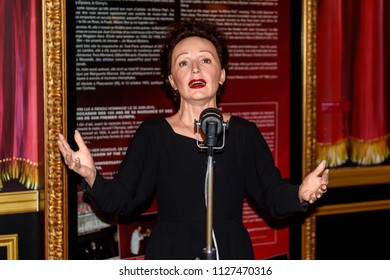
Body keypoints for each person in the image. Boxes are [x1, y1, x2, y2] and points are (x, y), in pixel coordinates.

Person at [57, 20, 329, 260]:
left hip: (230, 256)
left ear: (222, 75)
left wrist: (300, 194)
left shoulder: (244, 134)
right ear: (172, 81)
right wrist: (91, 175)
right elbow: (123, 200)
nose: (195, 69)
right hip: (171, 255)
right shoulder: (153, 135)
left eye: (206, 60)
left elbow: (271, 197)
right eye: (183, 62)